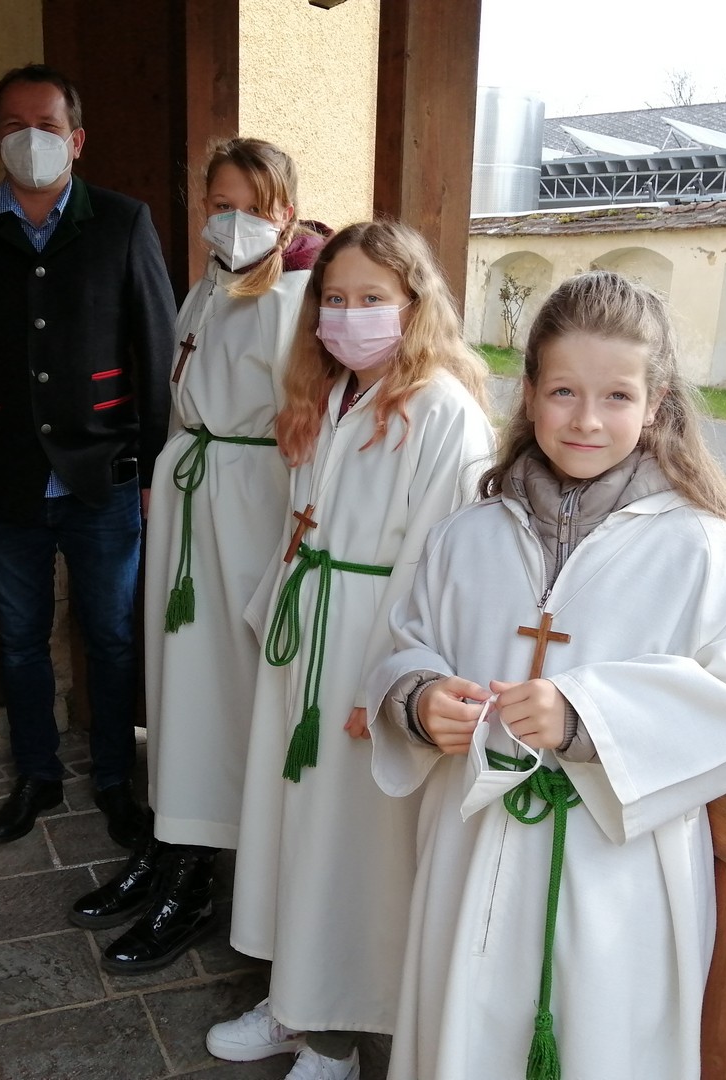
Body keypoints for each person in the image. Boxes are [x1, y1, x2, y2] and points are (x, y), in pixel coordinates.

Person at [366, 270, 726, 1079]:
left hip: (617, 874)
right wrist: (421, 699)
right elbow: (409, 642)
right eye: (564, 391)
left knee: (601, 1044)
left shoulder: (706, 552)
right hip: (474, 849)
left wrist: (588, 717)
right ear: (529, 394)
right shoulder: (466, 537)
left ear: (657, 403)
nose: (587, 419)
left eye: (617, 397)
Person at [208, 221, 495, 1080]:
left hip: (368, 646)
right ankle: (294, 1000)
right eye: (333, 298)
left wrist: (386, 686)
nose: (348, 314)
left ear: (415, 303)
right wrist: (273, 620)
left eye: (372, 298)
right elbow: (300, 526)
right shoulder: (328, 392)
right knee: (295, 827)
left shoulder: (442, 410)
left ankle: (334, 1037)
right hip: (307, 635)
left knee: (347, 843)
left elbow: (441, 563)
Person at [68, 137, 327, 971]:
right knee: (178, 683)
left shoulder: (297, 299)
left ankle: (198, 877)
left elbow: (309, 430)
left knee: (222, 689)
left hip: (247, 512)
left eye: (253, 207)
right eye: (220, 205)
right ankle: (169, 837)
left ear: (286, 212)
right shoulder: (208, 286)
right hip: (194, 503)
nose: (233, 221)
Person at [0, 65, 175, 850]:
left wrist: (153, 470)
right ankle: (36, 773)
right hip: (2, 478)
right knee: (21, 637)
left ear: (77, 138)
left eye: (46, 125)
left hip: (106, 474)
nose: (29, 139)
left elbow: (156, 348)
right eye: (12, 126)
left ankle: (114, 778)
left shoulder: (123, 221)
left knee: (112, 637)